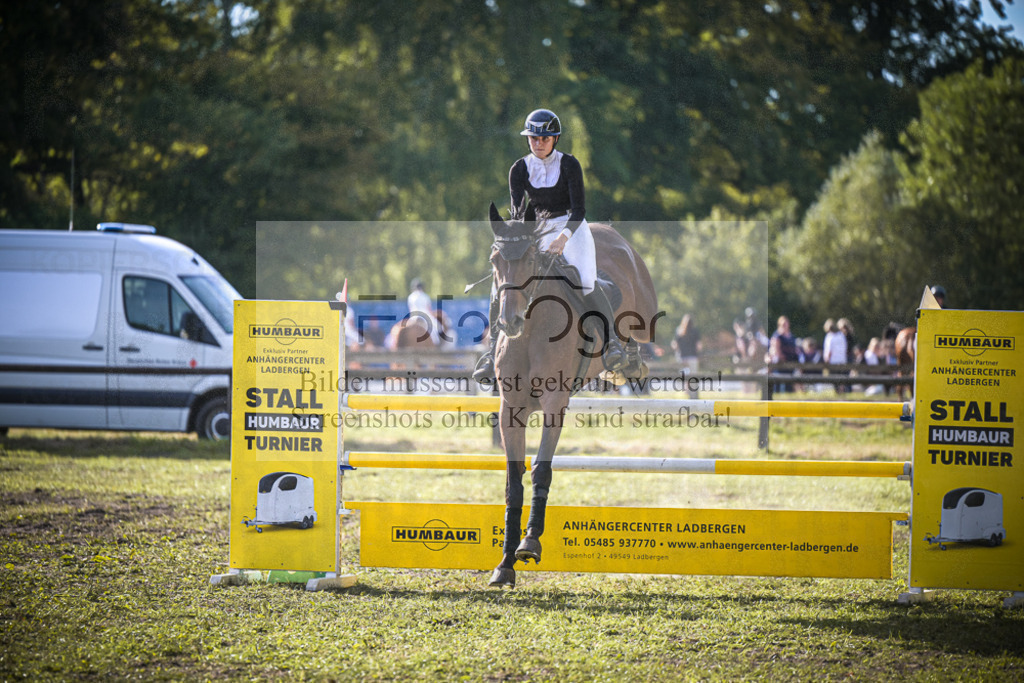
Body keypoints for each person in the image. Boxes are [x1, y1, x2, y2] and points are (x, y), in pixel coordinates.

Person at [473, 108, 626, 381]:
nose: (538, 143)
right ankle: (491, 349)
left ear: (555, 139)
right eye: (533, 138)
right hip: (536, 230)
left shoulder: (569, 165)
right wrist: (512, 242)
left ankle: (612, 341)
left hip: (571, 227)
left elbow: (579, 210)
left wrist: (562, 238)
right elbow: (519, 213)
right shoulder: (518, 169)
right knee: (505, 281)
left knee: (586, 280)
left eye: (544, 138)